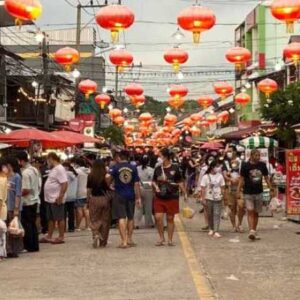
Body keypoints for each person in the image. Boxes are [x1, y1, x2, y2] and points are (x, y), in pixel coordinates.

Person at [152, 148, 187, 246]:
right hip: (159, 196)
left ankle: (170, 239)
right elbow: (154, 181)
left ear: (166, 157)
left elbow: (180, 181)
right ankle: (161, 238)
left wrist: (185, 193)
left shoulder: (175, 168)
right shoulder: (158, 168)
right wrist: (155, 187)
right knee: (158, 217)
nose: (159, 158)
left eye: (161, 156)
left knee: (170, 218)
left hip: (172, 196)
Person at [109, 150, 141, 249]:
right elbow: (136, 184)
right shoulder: (133, 167)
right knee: (130, 217)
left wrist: (110, 185)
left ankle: (124, 242)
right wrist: (138, 197)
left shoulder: (115, 167)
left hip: (119, 195)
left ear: (120, 157)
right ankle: (130, 239)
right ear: (128, 157)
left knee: (121, 218)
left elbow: (107, 177)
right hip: (131, 195)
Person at [237, 149, 271, 241]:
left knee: (256, 213)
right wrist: (238, 191)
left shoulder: (262, 165)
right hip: (248, 192)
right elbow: (241, 179)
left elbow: (266, 178)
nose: (258, 157)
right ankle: (251, 230)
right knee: (250, 211)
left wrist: (270, 188)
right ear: (251, 156)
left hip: (259, 192)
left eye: (259, 155)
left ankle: (254, 231)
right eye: (256, 155)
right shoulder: (245, 166)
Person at [41, 153, 68, 244]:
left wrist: (60, 196)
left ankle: (61, 236)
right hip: (50, 198)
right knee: (51, 218)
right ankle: (49, 235)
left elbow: (64, 183)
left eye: (48, 160)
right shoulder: (54, 169)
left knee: (59, 218)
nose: (47, 162)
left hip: (56, 198)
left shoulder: (60, 169)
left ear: (51, 159)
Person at [16, 151, 40, 252]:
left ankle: (29, 245)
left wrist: (17, 193)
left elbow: (26, 189)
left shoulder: (25, 173)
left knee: (27, 225)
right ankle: (34, 245)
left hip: (27, 201)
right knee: (33, 224)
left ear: (21, 160)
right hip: (34, 199)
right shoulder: (34, 169)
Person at [87, 160, 111, 248]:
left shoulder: (90, 176)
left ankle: (95, 233)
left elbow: (89, 189)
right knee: (105, 220)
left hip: (94, 199)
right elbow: (109, 188)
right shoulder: (107, 176)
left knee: (94, 218)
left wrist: (87, 199)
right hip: (104, 199)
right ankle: (103, 241)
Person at [201, 161, 225, 238]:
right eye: (216, 166)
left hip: (218, 198)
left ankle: (216, 231)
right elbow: (203, 188)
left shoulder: (220, 176)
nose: (218, 168)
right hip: (208, 197)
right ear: (212, 167)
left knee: (217, 214)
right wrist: (203, 198)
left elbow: (223, 186)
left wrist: (222, 195)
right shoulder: (205, 177)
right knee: (210, 214)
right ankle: (211, 228)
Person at [6, 157, 23, 258]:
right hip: (5, 207)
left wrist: (16, 208)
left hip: (13, 207)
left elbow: (18, 194)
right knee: (7, 229)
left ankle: (15, 250)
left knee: (15, 229)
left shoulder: (17, 177)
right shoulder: (4, 177)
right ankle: (8, 249)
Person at [223, 156, 245, 232]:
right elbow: (225, 176)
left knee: (241, 206)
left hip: (240, 191)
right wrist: (230, 179)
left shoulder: (241, 171)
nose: (234, 164)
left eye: (235, 162)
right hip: (230, 191)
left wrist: (239, 181)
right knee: (232, 209)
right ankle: (234, 226)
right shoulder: (228, 170)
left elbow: (243, 179)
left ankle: (239, 224)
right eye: (232, 162)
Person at [134, 155, 155, 229]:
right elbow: (153, 180)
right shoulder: (151, 170)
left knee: (138, 206)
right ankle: (149, 223)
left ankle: (136, 223)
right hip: (148, 189)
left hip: (138, 188)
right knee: (148, 207)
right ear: (148, 161)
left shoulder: (136, 169)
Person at [74, 158, 90, 231]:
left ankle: (78, 226)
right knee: (86, 209)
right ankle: (87, 226)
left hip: (79, 192)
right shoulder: (88, 171)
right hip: (86, 191)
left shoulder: (77, 171)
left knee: (79, 209)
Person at [62, 162, 78, 233]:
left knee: (64, 213)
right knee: (71, 213)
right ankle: (71, 228)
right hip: (73, 195)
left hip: (65, 195)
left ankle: (63, 227)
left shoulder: (65, 174)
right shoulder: (75, 174)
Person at [0, 158, 8, 261]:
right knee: (2, 234)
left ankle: (1, 254)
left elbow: (0, 199)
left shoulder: (1, 180)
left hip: (1, 209)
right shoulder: (4, 179)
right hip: (3, 208)